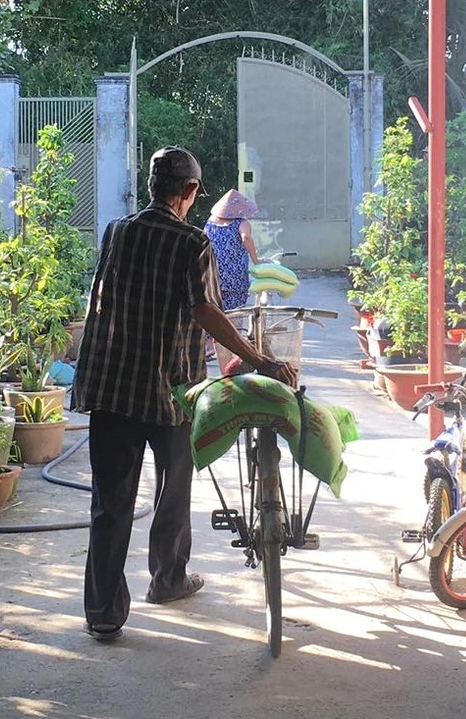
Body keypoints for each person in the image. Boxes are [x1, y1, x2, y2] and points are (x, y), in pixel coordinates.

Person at [72, 146, 297, 642]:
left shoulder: (116, 230)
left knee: (110, 503)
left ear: (151, 186)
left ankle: (103, 613)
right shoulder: (192, 241)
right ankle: (168, 580)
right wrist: (258, 359)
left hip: (110, 386)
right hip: (168, 389)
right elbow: (207, 311)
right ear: (191, 191)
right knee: (173, 490)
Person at [203, 189, 261, 311]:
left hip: (213, 275)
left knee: (216, 312)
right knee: (235, 313)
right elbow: (246, 237)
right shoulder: (241, 223)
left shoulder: (211, 222)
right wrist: (256, 260)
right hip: (235, 278)